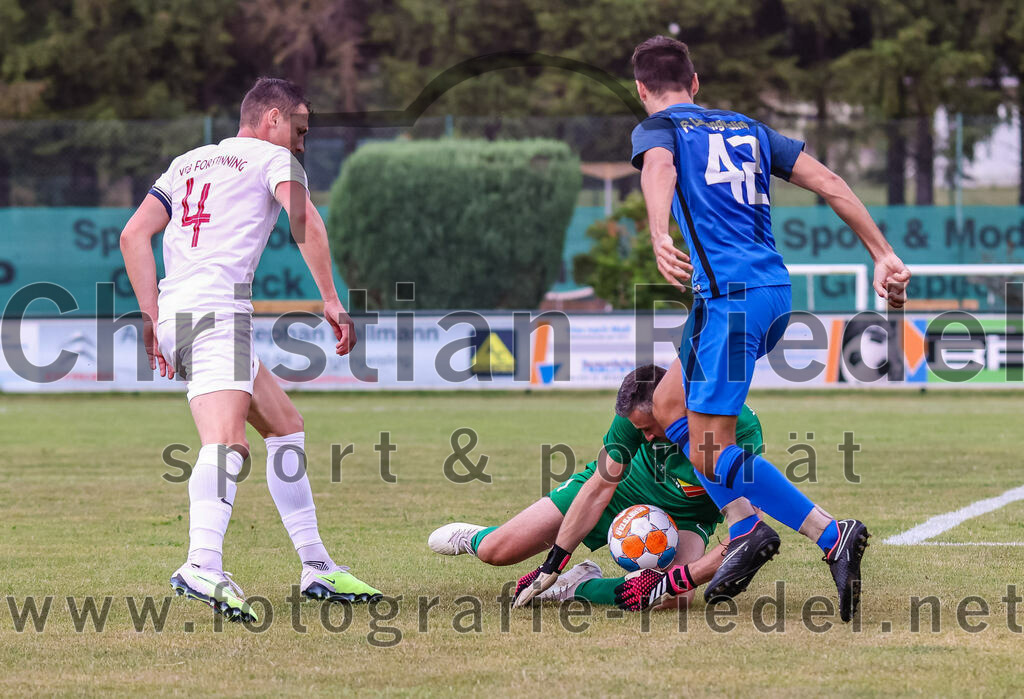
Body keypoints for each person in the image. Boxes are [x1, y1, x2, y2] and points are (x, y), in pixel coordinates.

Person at [621, 36, 910, 621]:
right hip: (770, 293)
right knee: (668, 404)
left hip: (730, 300)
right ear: (697, 82)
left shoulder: (658, 129)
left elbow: (658, 167)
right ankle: (747, 525)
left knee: (709, 449)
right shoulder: (749, 128)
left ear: (642, 90)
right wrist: (881, 252)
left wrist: (658, 233)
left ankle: (831, 534)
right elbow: (830, 182)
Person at [120, 77, 381, 622]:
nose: (302, 144)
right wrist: (331, 299)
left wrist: (151, 318)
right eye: (301, 130)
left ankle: (317, 567)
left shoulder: (188, 162)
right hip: (217, 314)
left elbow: (132, 235)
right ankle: (201, 564)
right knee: (227, 443)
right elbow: (305, 223)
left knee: (286, 426)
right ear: (272, 120)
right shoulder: (272, 159)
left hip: (180, 313)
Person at [431, 364, 764, 611]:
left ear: (672, 405)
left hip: (689, 516)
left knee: (674, 600)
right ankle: (478, 538)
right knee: (497, 552)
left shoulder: (739, 431)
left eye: (650, 429)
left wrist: (678, 579)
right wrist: (553, 563)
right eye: (640, 430)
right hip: (622, 490)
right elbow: (601, 485)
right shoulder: (637, 411)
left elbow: (749, 535)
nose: (646, 437)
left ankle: (578, 585)